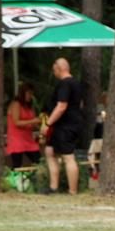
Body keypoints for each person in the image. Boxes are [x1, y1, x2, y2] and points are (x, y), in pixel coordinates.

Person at [40, 58, 83, 194]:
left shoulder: (65, 84)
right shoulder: (76, 83)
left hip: (66, 125)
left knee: (68, 156)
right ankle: (53, 187)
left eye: (54, 70)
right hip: (66, 125)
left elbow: (61, 106)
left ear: (60, 69)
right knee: (50, 151)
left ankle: (72, 190)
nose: (54, 73)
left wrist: (48, 123)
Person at [6, 82, 41, 169]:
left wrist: (42, 127)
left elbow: (33, 123)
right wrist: (32, 120)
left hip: (28, 139)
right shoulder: (16, 104)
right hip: (16, 139)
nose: (30, 96)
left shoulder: (29, 106)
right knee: (17, 165)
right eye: (29, 93)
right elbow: (16, 122)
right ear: (23, 93)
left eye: (32, 94)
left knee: (39, 161)